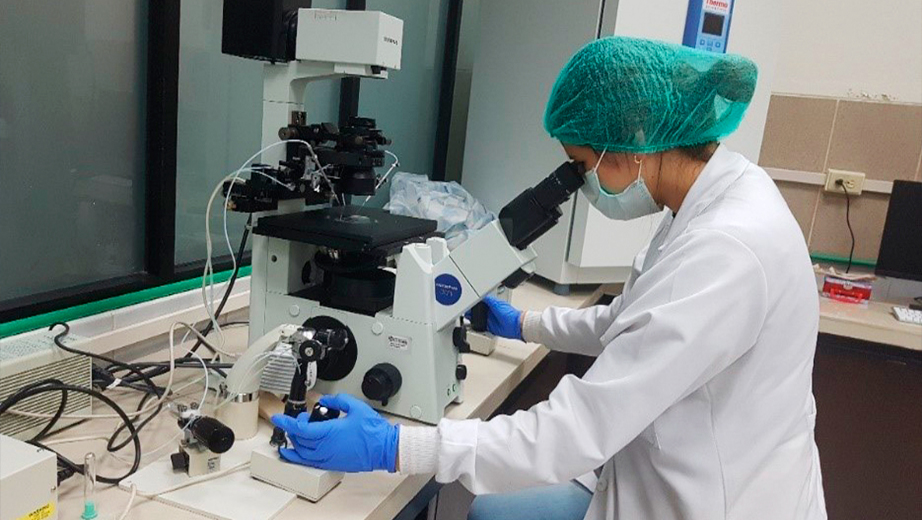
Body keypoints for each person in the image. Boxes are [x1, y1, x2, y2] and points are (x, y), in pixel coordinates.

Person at [271, 36, 828, 520]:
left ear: (632, 146)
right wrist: (525, 324)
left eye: (581, 167)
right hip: (672, 471)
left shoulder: (724, 249)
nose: (580, 184)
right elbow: (633, 323)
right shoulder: (714, 201)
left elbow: (574, 432)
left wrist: (393, 447)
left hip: (711, 500)